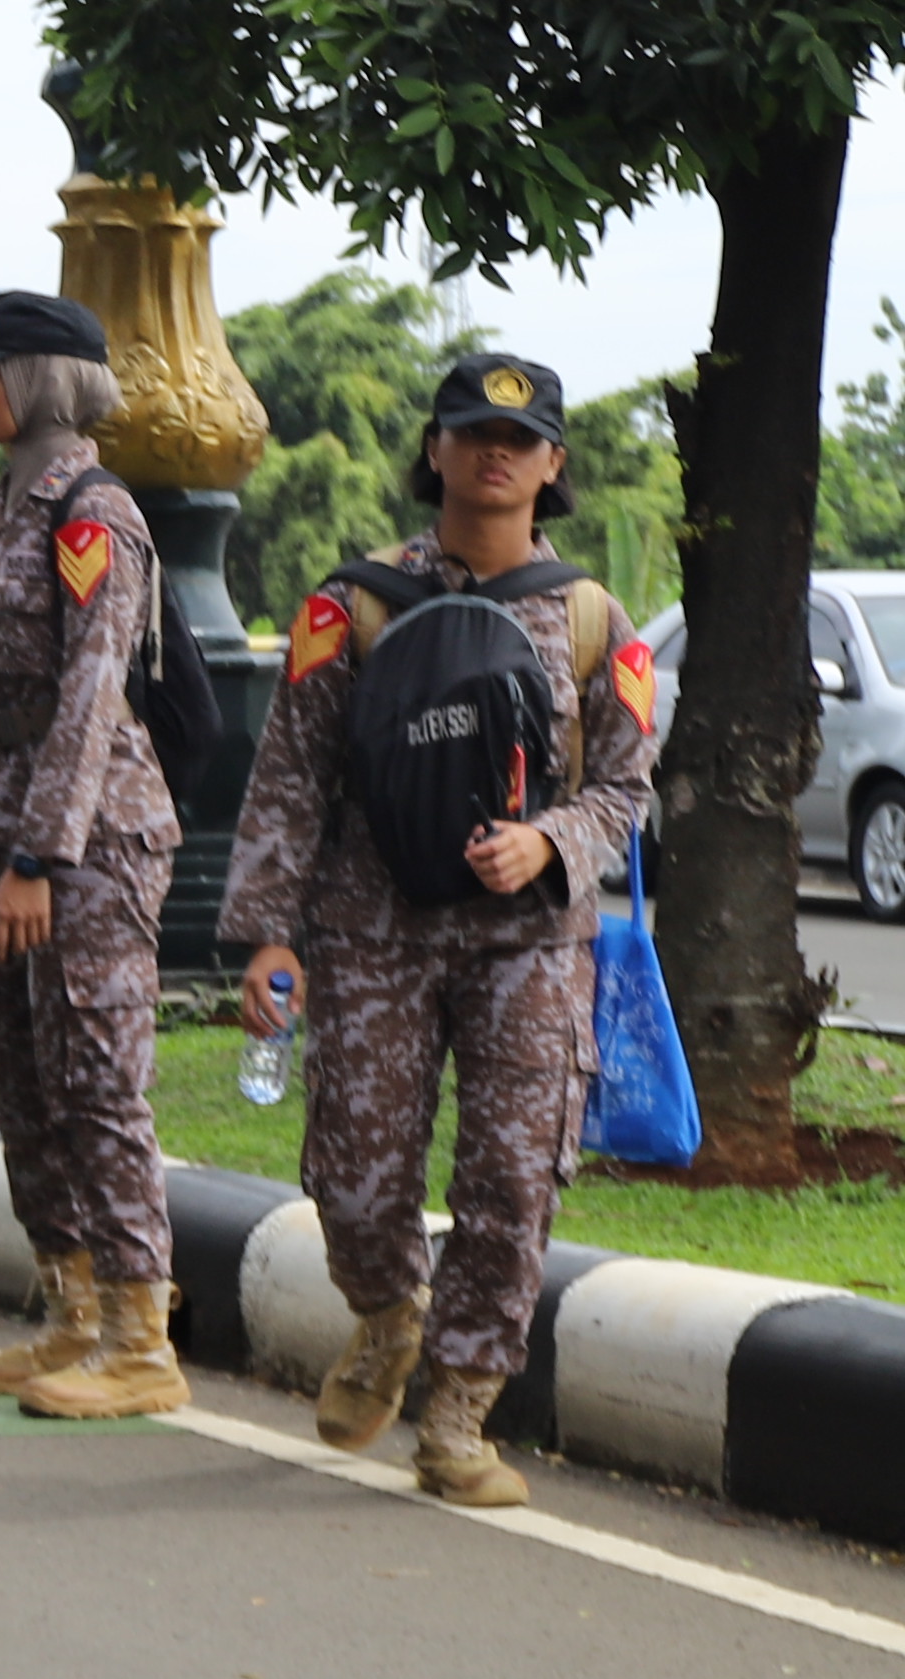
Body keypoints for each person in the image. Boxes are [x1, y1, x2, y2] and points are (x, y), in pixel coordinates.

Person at [217, 352, 655, 1507]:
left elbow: (625, 786)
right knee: (358, 1181)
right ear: (436, 450)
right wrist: (269, 934)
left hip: (529, 943)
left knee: (513, 1179)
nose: (495, 452)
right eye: (471, 431)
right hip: (373, 932)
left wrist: (549, 839)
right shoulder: (350, 604)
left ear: (553, 464)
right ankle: (387, 1315)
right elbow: (290, 776)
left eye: (520, 439)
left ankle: (458, 1410)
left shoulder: (596, 619)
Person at [0, 292, 193, 1417]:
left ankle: (142, 1336)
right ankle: (71, 1310)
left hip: (86, 840)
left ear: (38, 381)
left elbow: (89, 699)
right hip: (1, 828)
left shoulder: (95, 514)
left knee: (94, 1079)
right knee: (18, 1079)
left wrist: (40, 853)